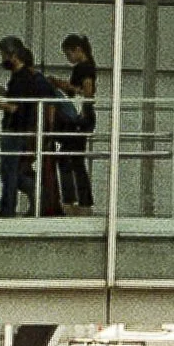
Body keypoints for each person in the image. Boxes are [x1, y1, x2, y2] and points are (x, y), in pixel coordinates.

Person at [0, 38, 57, 217]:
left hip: (16, 130)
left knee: (10, 171)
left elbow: (15, 107)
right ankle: (40, 194)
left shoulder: (22, 77)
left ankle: (9, 208)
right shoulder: (24, 77)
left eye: (4, 55)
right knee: (12, 171)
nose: (2, 59)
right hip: (19, 129)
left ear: (13, 55)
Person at [51, 34, 99, 213]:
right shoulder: (87, 67)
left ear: (78, 50)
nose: (68, 58)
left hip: (79, 119)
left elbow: (86, 92)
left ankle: (74, 201)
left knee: (70, 159)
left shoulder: (84, 68)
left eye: (68, 54)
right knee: (73, 159)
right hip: (83, 118)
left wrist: (62, 85)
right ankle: (80, 202)